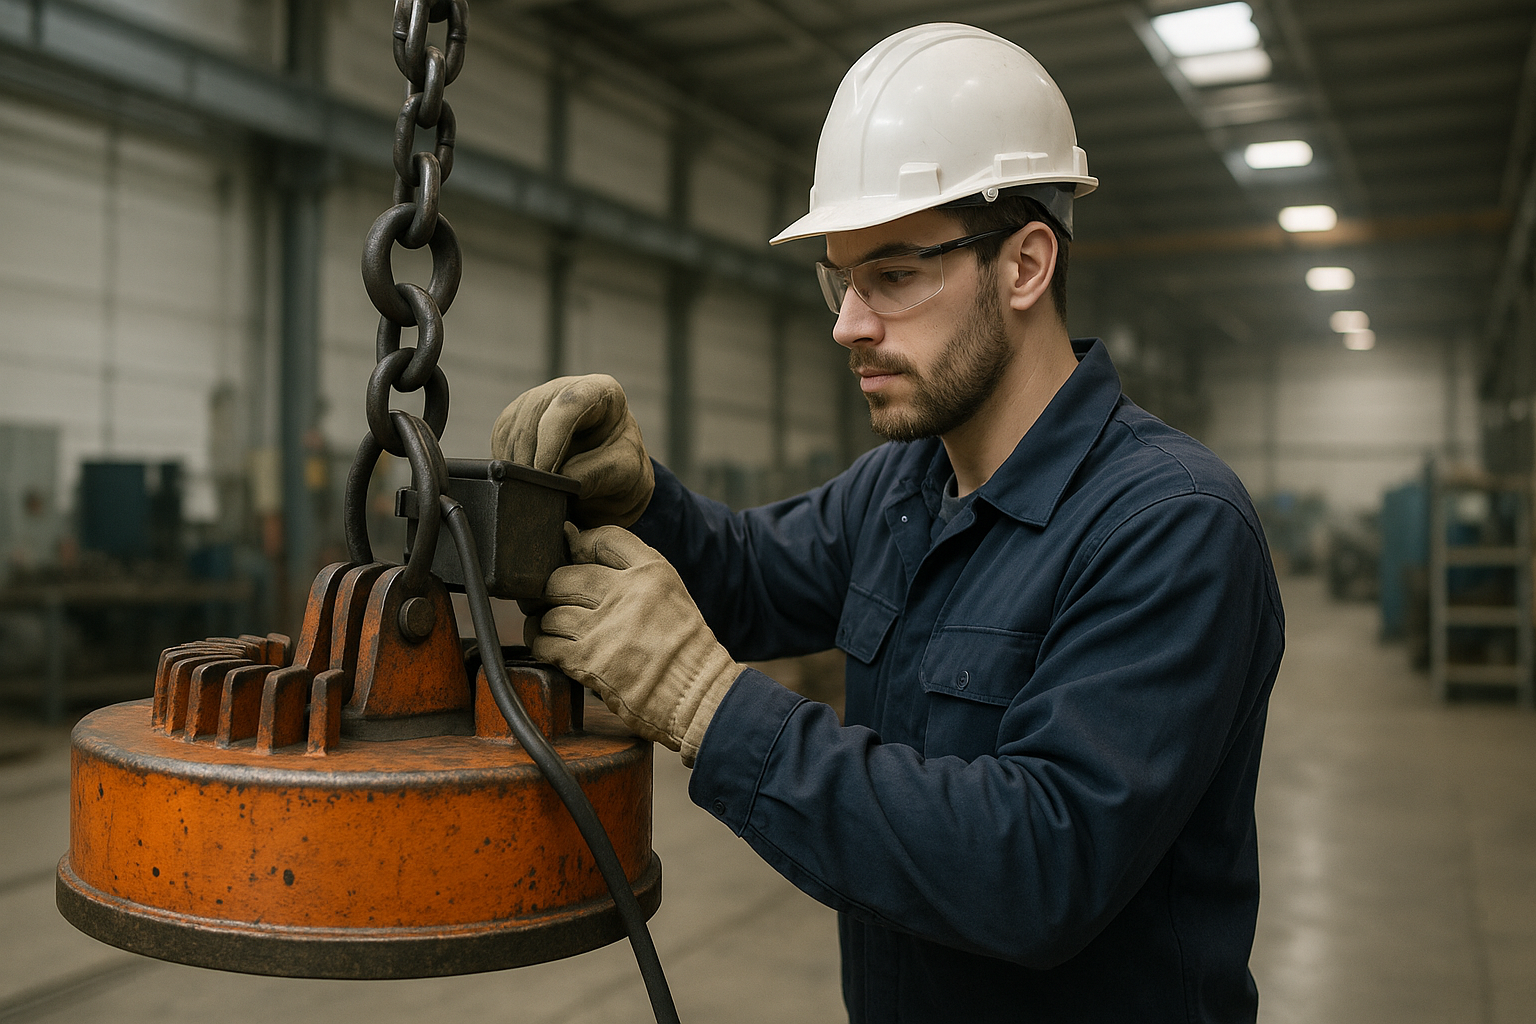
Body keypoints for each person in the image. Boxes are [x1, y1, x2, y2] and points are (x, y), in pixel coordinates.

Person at [493, 23, 1284, 1024]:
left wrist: (707, 704)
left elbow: (1041, 866)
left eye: (895, 276)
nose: (849, 324)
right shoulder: (904, 487)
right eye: (841, 278)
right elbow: (744, 576)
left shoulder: (1171, 526)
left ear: (1027, 265)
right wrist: (640, 492)